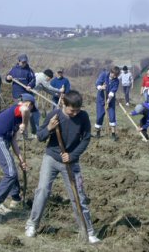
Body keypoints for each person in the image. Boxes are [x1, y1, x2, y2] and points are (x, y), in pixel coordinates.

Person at [25, 90, 100, 244]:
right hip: (51, 158)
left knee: (78, 196)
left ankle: (88, 231)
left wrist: (72, 156)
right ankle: (32, 224)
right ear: (64, 104)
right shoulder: (55, 115)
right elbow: (40, 136)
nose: (75, 113)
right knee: (43, 191)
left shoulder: (83, 117)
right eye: (72, 110)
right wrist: (50, 128)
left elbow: (86, 139)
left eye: (77, 110)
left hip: (71, 162)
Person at [0, 93, 33, 215]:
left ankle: (16, 199)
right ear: (29, 103)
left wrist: (21, 159)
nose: (31, 111)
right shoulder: (17, 109)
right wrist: (25, 125)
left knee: (12, 169)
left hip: (2, 141)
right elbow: (25, 109)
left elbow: (13, 141)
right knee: (11, 172)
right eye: (32, 107)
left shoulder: (15, 120)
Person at [6, 54, 37, 137]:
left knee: (28, 113)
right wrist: (8, 78)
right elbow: (7, 78)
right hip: (16, 94)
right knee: (18, 113)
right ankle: (18, 132)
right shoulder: (13, 69)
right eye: (22, 62)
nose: (24, 64)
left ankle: (31, 132)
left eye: (25, 62)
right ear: (18, 61)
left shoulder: (29, 71)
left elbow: (33, 80)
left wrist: (30, 86)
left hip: (26, 95)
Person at [94, 66, 120, 140]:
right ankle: (98, 133)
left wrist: (108, 101)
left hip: (110, 100)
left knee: (112, 116)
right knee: (99, 116)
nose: (114, 76)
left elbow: (112, 92)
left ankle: (113, 134)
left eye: (116, 76)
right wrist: (101, 87)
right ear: (111, 72)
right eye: (114, 75)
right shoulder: (103, 75)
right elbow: (97, 83)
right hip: (101, 99)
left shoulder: (116, 81)